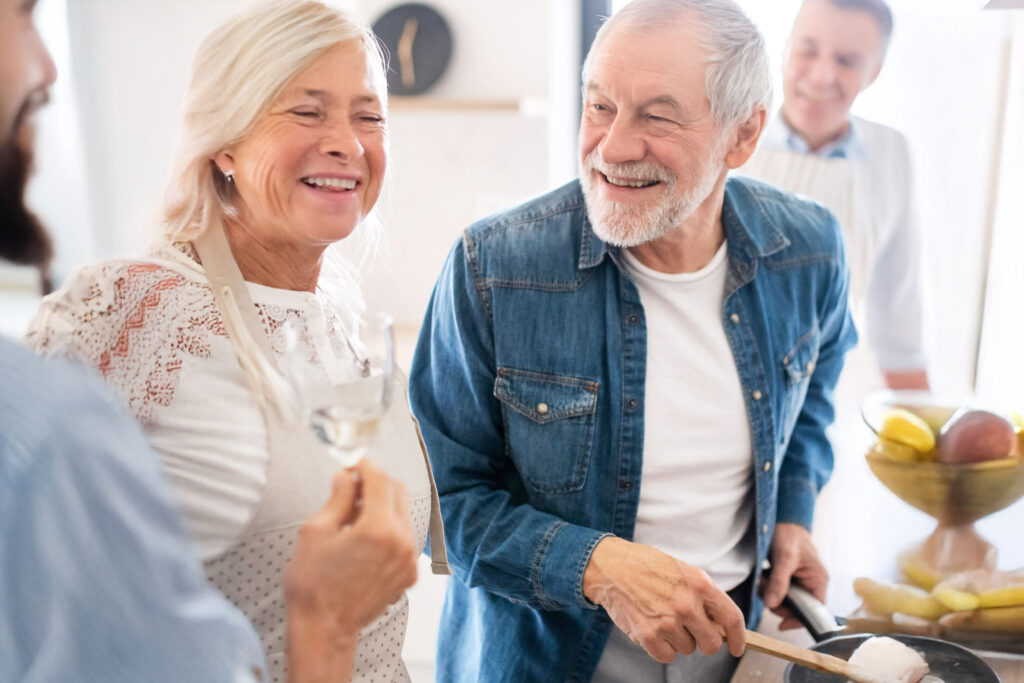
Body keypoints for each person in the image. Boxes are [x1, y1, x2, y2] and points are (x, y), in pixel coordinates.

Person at [409, 0, 858, 681]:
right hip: (542, 661)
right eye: (599, 107)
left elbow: (815, 389)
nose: (614, 147)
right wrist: (594, 565)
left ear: (743, 136)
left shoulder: (810, 251)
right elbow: (440, 505)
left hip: (732, 653)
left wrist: (793, 511)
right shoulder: (492, 266)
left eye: (657, 115)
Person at [24, 1, 447, 680]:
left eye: (368, 116)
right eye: (307, 112)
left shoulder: (342, 321)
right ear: (225, 141)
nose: (346, 141)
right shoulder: (127, 313)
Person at [738, 0, 928, 391]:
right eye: (808, 51)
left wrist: (931, 436)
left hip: (829, 393)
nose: (822, 75)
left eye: (846, 60)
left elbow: (897, 321)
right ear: (786, 48)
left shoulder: (891, 154)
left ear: (873, 72)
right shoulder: (729, 139)